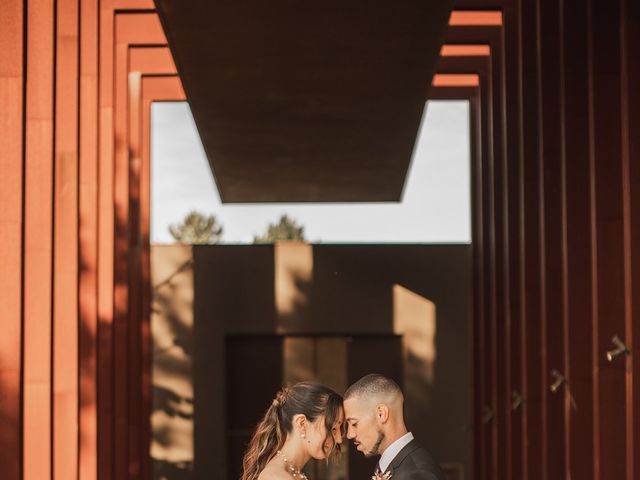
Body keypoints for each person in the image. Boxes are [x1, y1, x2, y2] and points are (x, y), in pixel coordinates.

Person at [343, 374, 445, 480]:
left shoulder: (417, 473)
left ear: (381, 414)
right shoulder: (390, 466)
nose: (349, 434)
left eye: (354, 423)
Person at [241, 381, 345, 480]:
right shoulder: (275, 477)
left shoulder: (292, 473)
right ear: (302, 423)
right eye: (333, 428)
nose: (339, 439)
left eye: (339, 429)